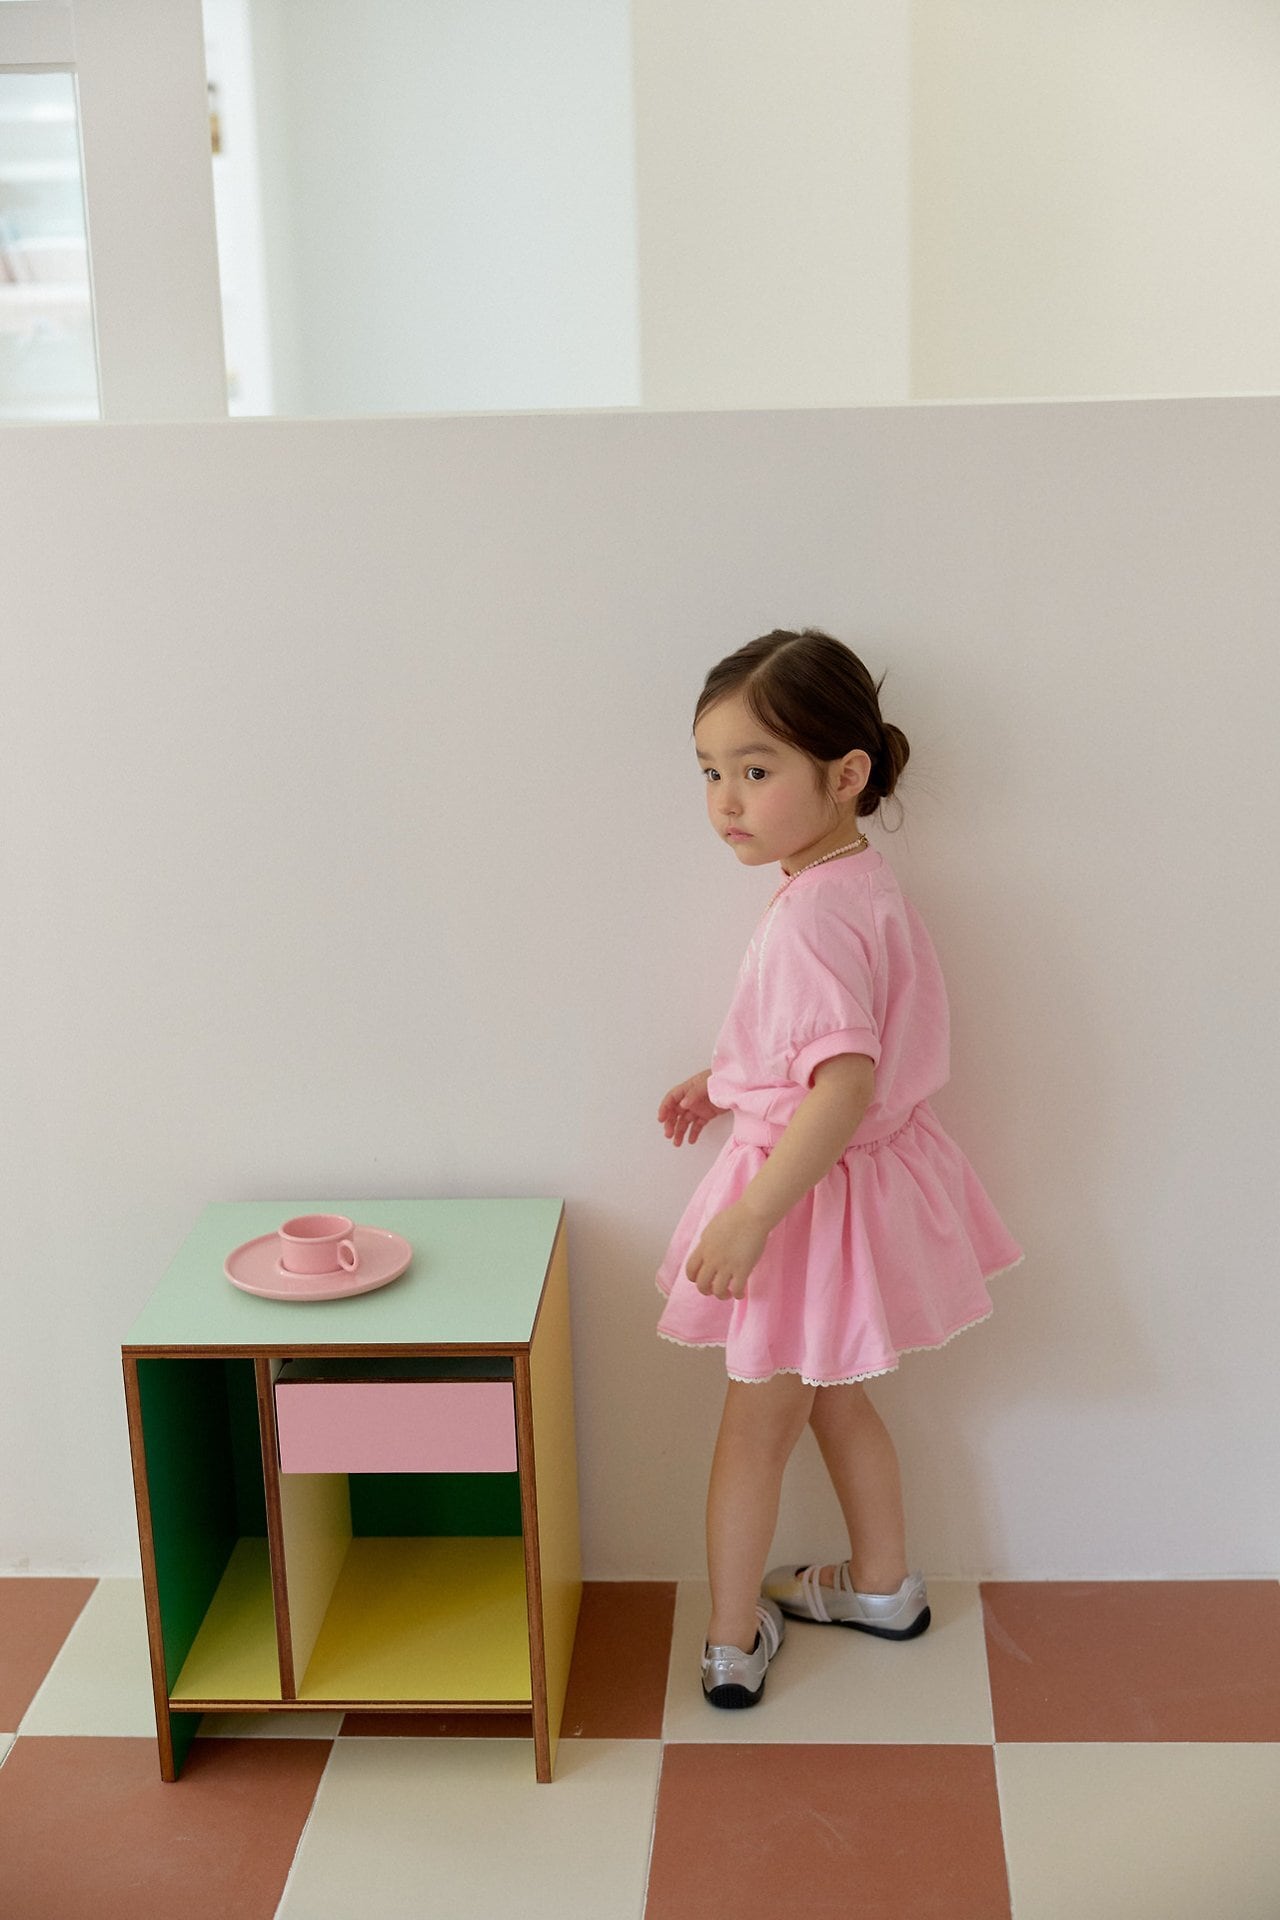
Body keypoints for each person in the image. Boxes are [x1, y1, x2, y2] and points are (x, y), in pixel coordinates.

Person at [655, 628, 1023, 1709]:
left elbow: (841, 1083)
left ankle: (730, 1641)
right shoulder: (852, 880)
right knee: (835, 1399)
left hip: (804, 1204)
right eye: (710, 773)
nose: (726, 801)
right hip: (855, 1193)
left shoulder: (809, 915)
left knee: (752, 1430)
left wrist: (750, 1218)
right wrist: (726, 1079)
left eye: (755, 770)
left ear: (845, 772)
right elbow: (828, 1046)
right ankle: (882, 1586)